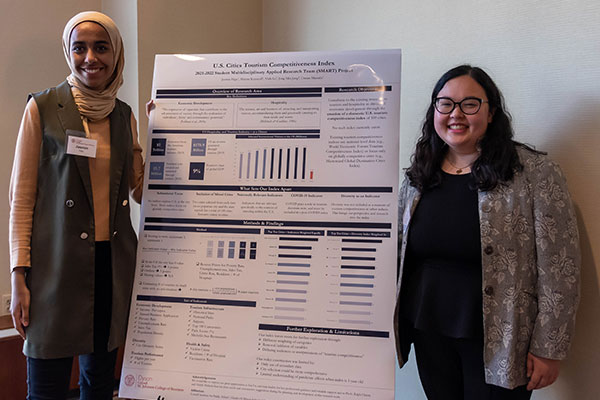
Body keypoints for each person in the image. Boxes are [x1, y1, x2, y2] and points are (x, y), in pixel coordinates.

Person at [393, 65, 580, 400]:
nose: (456, 114)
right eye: (445, 103)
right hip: (428, 327)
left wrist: (550, 347)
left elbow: (561, 268)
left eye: (470, 104)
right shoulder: (417, 175)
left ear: (491, 112)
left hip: (503, 338)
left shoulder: (533, 173)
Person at [9, 11, 144, 399]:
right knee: (46, 390)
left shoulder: (123, 116)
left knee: (99, 387)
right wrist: (19, 275)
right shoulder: (42, 108)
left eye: (101, 47)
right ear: (68, 53)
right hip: (54, 268)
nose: (90, 58)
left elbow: (138, 190)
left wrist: (168, 128)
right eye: (79, 48)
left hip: (111, 268)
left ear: (115, 53)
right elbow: (21, 199)